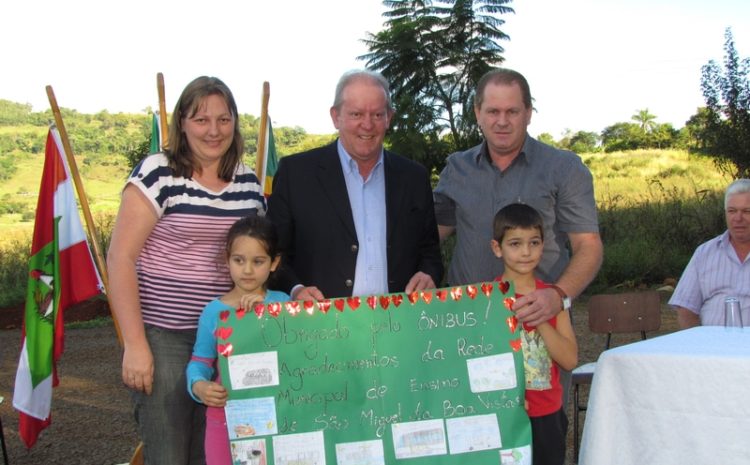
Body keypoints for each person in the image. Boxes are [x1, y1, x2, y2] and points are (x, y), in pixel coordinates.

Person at [107, 76, 267, 464]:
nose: (213, 130)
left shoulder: (248, 182)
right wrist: (135, 344)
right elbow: (120, 258)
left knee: (220, 451)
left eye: (224, 119)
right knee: (170, 453)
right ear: (181, 123)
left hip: (229, 335)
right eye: (201, 119)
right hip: (165, 337)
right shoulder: (158, 173)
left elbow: (256, 254)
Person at [433, 68, 602, 401]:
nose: (502, 120)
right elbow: (428, 237)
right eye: (493, 111)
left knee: (542, 434)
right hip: (472, 328)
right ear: (478, 114)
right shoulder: (457, 168)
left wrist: (558, 296)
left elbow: (589, 247)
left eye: (512, 111)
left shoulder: (564, 169)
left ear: (528, 113)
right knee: (476, 434)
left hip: (539, 327)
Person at [267, 69, 442, 300]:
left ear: (389, 117)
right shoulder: (296, 174)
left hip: (397, 327)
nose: (367, 125)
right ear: (335, 116)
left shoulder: (414, 177)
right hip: (319, 325)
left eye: (377, 115)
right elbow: (272, 253)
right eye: (356, 114)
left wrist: (428, 273)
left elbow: (430, 252)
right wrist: (295, 289)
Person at [187, 216, 289, 465]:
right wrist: (199, 386)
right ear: (227, 260)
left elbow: (297, 357)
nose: (247, 270)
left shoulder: (284, 304)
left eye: (258, 261)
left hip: (279, 418)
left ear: (274, 262)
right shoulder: (213, 312)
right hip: (224, 421)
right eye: (239, 260)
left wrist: (267, 315)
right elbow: (199, 362)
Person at [491, 203, 577, 465]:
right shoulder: (488, 300)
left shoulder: (552, 298)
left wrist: (539, 318)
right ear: (497, 248)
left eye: (534, 242)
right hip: (505, 417)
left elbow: (570, 360)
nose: (526, 252)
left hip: (547, 415)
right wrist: (508, 400)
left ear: (543, 245)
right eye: (515, 244)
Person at [670, 178, 750, 328]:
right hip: (712, 347)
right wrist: (698, 346)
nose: (738, 218)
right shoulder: (705, 253)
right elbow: (686, 308)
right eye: (732, 211)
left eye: (747, 211)